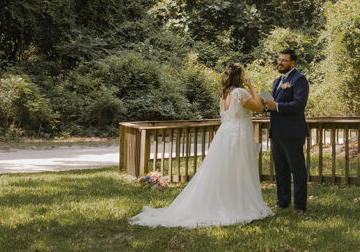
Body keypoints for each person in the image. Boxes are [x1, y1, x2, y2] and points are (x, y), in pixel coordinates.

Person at [129, 63, 273, 228]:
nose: (245, 77)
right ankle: (238, 204)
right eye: (243, 74)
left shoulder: (224, 95)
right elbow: (258, 106)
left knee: (227, 169)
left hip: (226, 134)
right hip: (238, 135)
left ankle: (229, 200)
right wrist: (251, 87)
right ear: (239, 76)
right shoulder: (240, 92)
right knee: (239, 168)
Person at [262, 49, 309, 214]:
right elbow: (274, 103)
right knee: (280, 170)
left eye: (284, 60)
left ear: (293, 63)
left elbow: (299, 104)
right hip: (276, 132)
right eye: (279, 59)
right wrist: (267, 106)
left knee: (297, 170)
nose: (280, 62)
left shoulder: (299, 79)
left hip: (292, 132)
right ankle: (282, 202)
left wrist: (278, 107)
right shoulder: (277, 81)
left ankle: (299, 206)